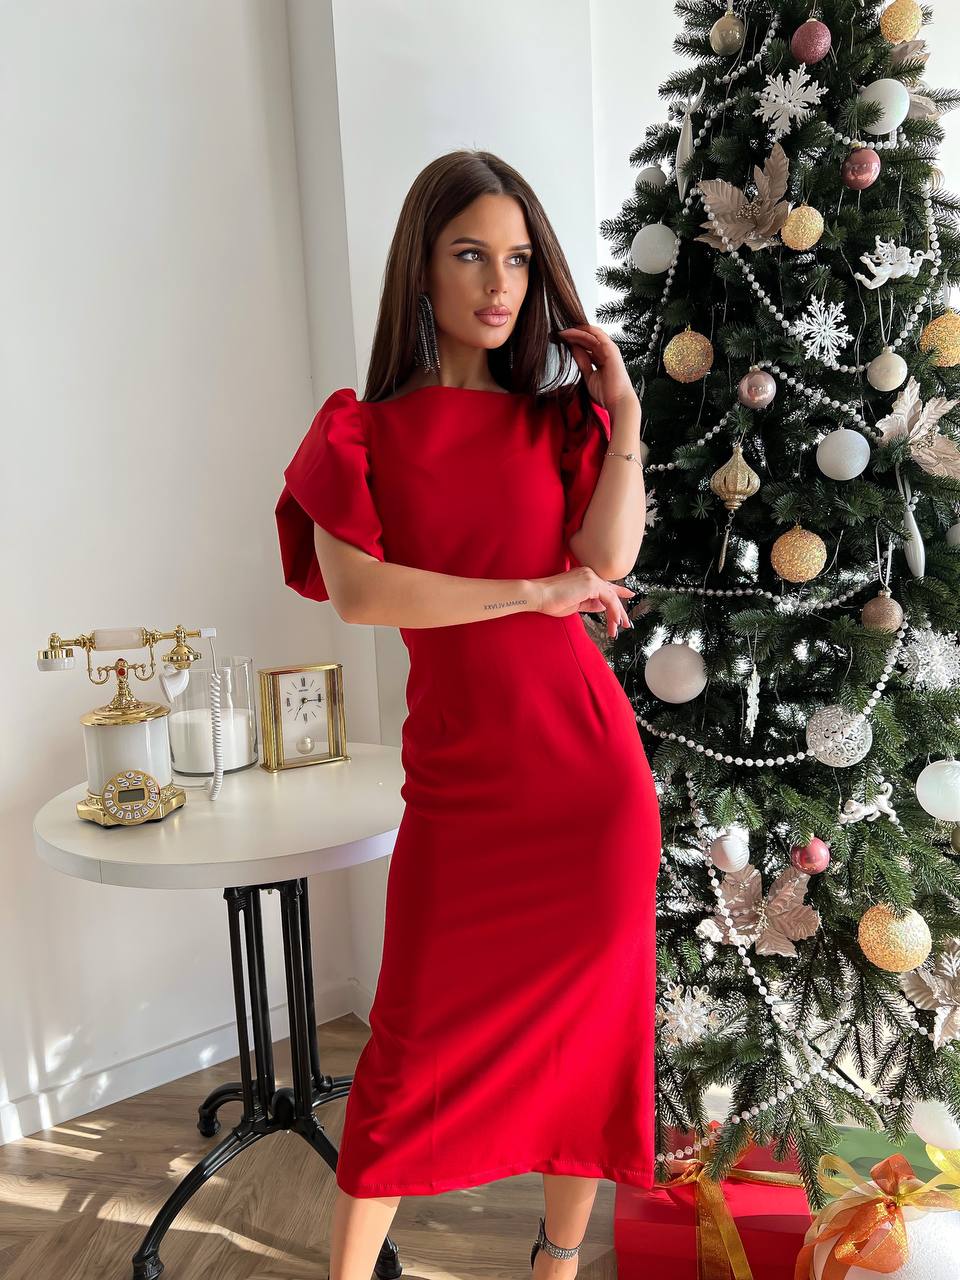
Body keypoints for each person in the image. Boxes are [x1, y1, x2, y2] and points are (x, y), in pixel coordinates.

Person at [275, 148, 662, 1280]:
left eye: (518, 259)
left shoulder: (560, 425)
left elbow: (609, 556)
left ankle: (554, 1263)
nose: (499, 284)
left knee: (591, 1043)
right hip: (462, 786)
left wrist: (624, 412)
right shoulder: (362, 431)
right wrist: (536, 593)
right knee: (405, 1054)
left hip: (590, 782)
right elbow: (364, 595)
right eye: (470, 254)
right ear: (423, 267)